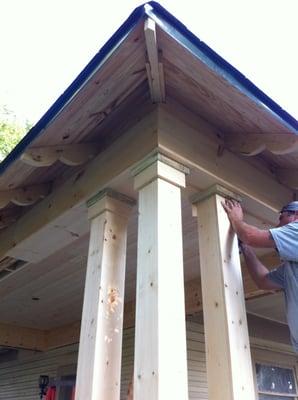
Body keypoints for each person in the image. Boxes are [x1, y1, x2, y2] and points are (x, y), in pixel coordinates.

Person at [222, 199, 298, 352]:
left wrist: (236, 220)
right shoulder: (292, 269)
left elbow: (251, 236)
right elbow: (263, 281)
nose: (277, 225)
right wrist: (244, 246)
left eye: (281, 218)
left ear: (295, 215)